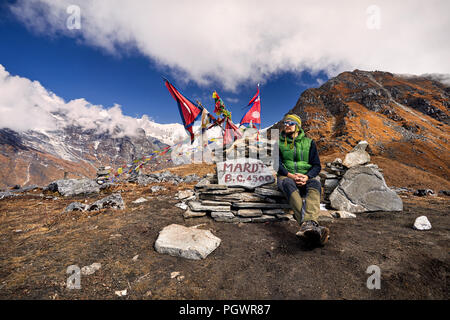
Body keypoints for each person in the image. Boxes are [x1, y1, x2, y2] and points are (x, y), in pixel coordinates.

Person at [277, 114, 330, 246]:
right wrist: (292, 176)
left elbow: (317, 165)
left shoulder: (309, 142)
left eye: (290, 123)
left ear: (297, 126)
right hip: (287, 176)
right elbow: (276, 164)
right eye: (285, 122)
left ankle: (308, 226)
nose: (286, 125)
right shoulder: (277, 143)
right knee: (287, 183)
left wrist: (306, 176)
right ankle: (311, 225)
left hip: (305, 176)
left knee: (315, 183)